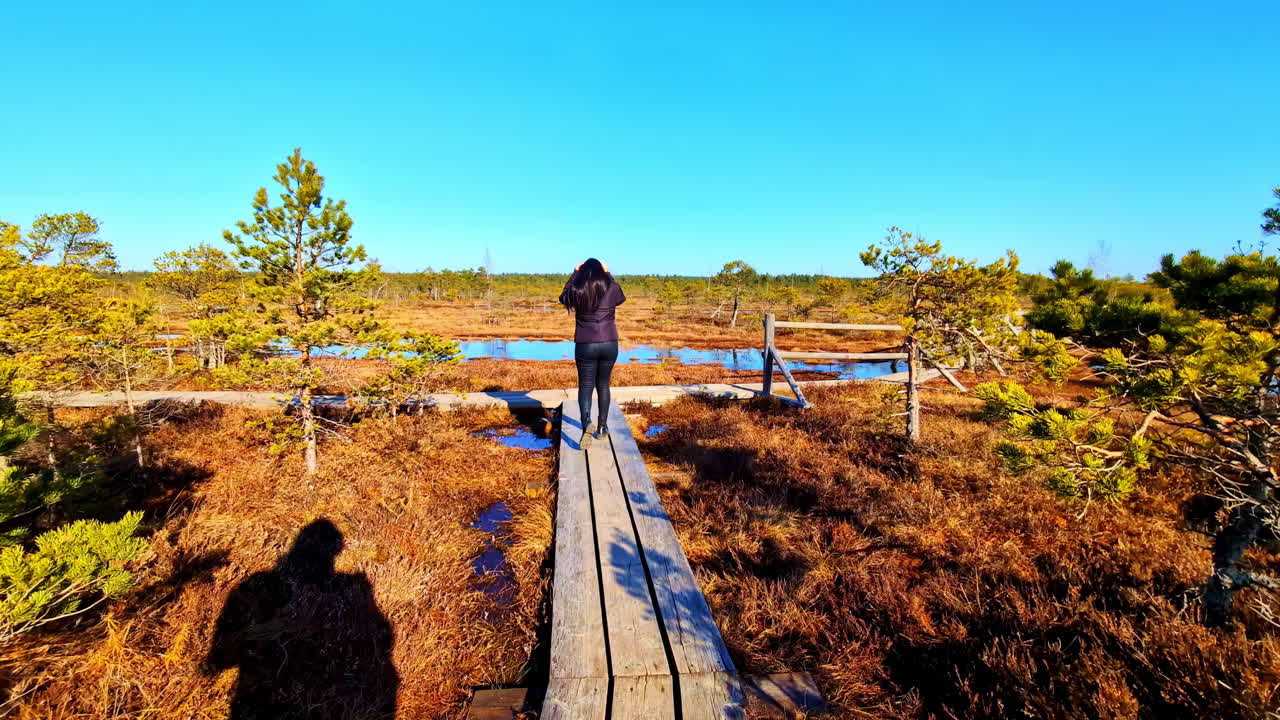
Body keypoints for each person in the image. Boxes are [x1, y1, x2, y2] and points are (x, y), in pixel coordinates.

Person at [559, 258, 626, 448]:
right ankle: (603, 428)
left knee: (586, 386)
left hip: (585, 344)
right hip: (609, 343)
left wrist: (574, 273)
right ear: (601, 272)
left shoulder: (577, 291)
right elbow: (621, 297)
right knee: (603, 385)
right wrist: (608, 273)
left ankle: (587, 423)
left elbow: (563, 296)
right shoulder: (610, 289)